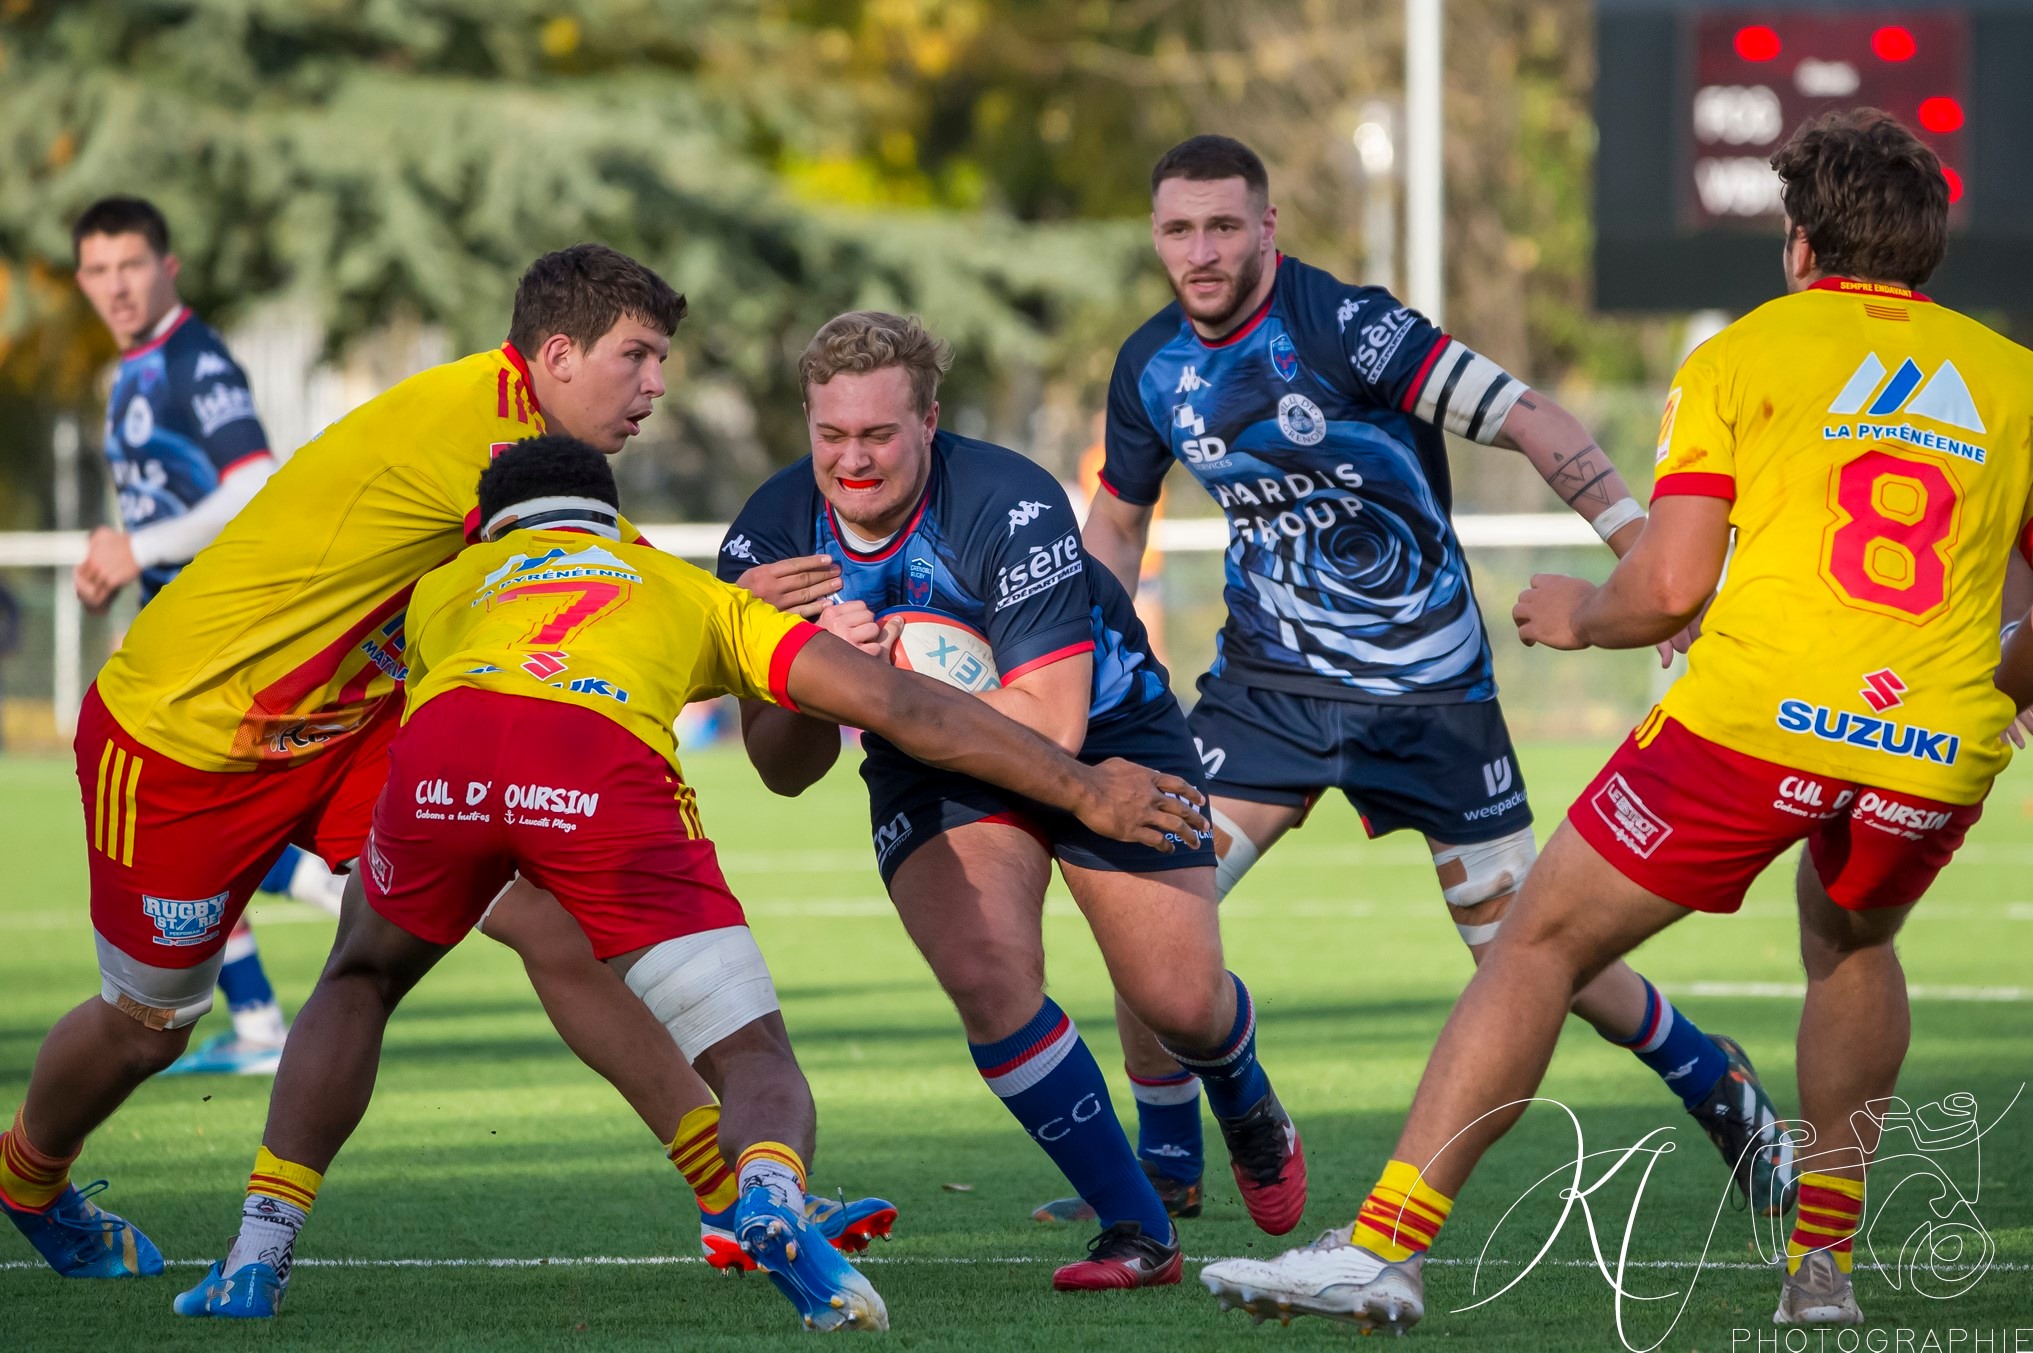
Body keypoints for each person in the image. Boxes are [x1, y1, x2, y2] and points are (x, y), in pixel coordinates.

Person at [1198, 109, 2033, 1333]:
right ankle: (1820, 1274)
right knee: (1852, 945)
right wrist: (1994, 692)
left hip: (1753, 723)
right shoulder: (2012, 378)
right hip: (1934, 740)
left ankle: (1380, 1249)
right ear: (1928, 249)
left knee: (1536, 941)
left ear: (1798, 243)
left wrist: (1575, 616)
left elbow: (1669, 588)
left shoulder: (1741, 356)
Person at [170, 435, 1204, 1326]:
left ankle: (256, 1255)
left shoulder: (446, 588)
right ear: (610, 522)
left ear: (491, 532)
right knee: (753, 1054)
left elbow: (341, 688)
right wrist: (1082, 789)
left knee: (358, 978)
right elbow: (901, 709)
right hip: (595, 778)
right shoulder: (677, 585)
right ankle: (762, 1202)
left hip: (442, 766)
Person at [0, 243, 847, 1282]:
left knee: (550, 915)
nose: (656, 388)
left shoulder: (527, 446)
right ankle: (28, 1176)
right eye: (637, 357)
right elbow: (626, 612)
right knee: (148, 1029)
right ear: (555, 355)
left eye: (662, 361)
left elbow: (605, 615)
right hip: (185, 734)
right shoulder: (483, 439)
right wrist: (756, 625)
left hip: (354, 725)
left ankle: (728, 1197)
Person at [1066, 134, 1790, 1224]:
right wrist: (1094, 671)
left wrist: (1642, 557)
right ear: (1155, 237)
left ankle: (1710, 1078)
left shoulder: (1351, 328)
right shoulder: (1150, 366)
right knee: (1148, 905)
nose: (1200, 250)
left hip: (1430, 700)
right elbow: (1118, 522)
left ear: (1267, 227)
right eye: (1178, 229)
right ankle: (1171, 1164)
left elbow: (1532, 419)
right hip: (1268, 692)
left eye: (1223, 225)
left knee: (1534, 959)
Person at [719, 310, 1299, 1293]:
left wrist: (888, 678)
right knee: (986, 973)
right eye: (830, 437)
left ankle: (1238, 1088)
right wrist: (800, 672)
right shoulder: (768, 537)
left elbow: (1051, 728)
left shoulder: (1007, 502)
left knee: (1178, 1002)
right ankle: (1136, 1230)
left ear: (929, 421)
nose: (850, 460)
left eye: (876, 436)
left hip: (1101, 736)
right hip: (926, 763)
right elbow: (781, 767)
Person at [69, 195, 347, 1077]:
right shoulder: (136, 368)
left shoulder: (193, 360)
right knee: (195, 826)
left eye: (130, 266)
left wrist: (136, 547)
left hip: (223, 635)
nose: (115, 286)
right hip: (178, 630)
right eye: (97, 270)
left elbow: (252, 480)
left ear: (167, 267)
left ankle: (349, 899)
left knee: (188, 825)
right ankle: (260, 1017)